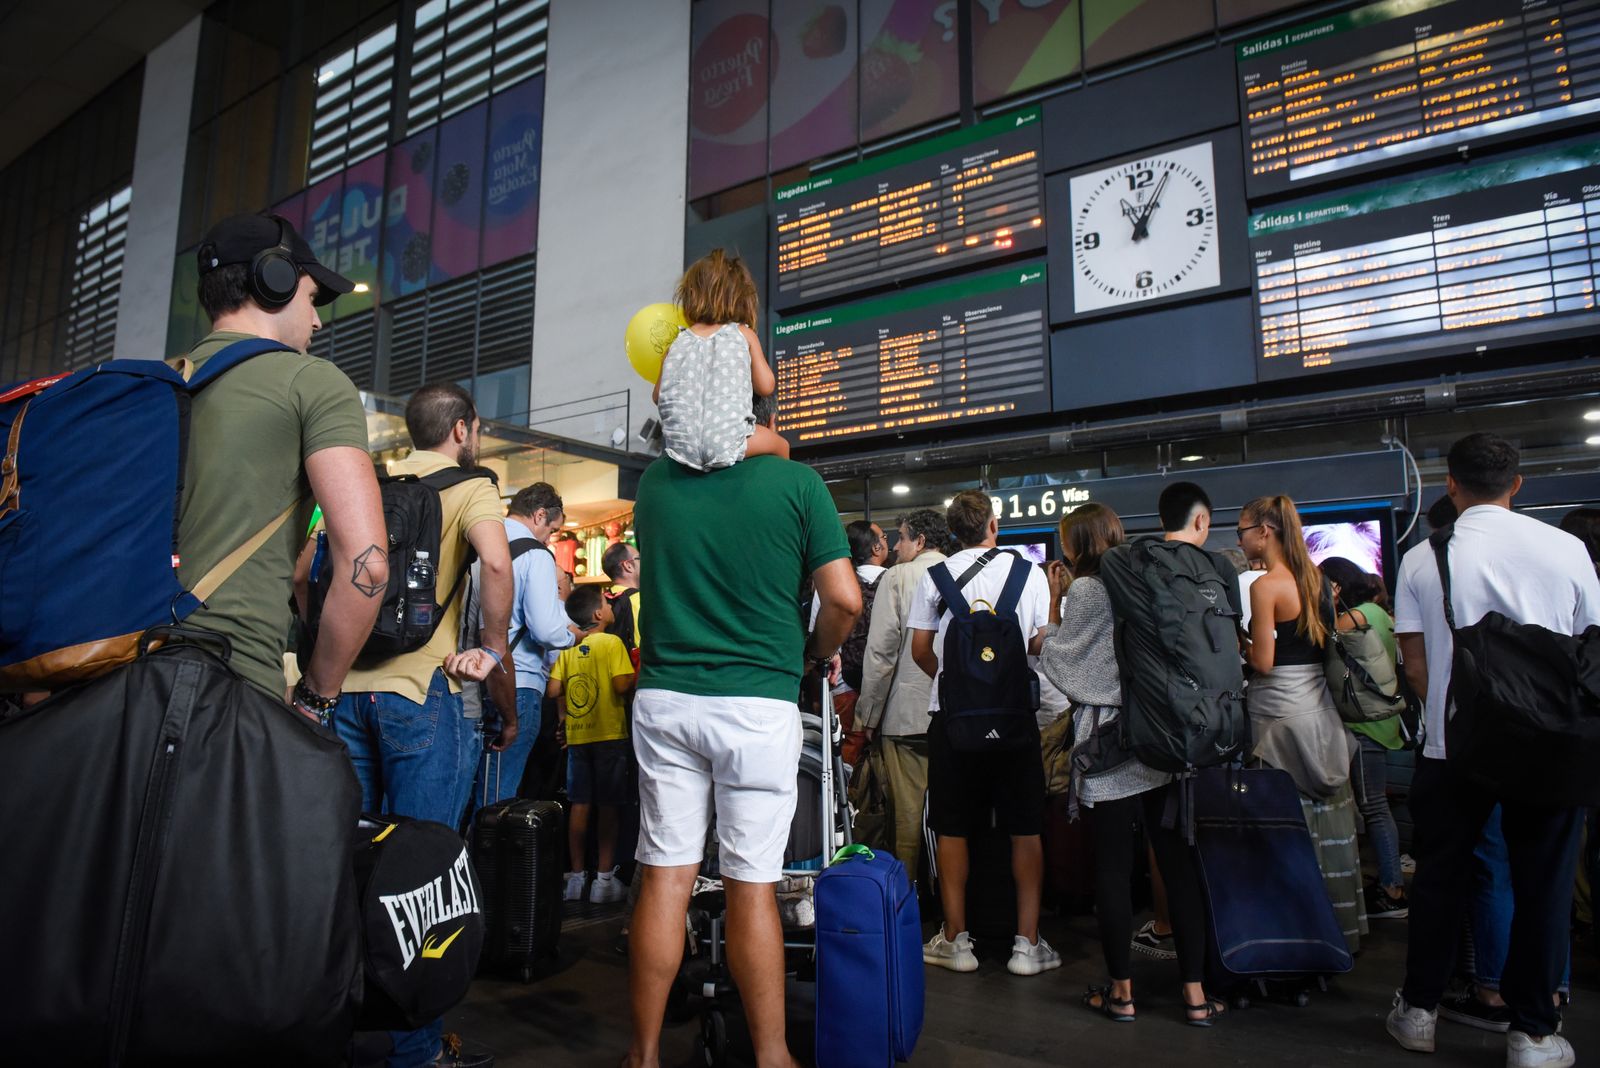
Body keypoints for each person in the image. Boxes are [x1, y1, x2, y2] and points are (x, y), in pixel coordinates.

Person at [624, 391, 859, 1068]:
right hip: (757, 702)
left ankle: (641, 1055)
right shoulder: (796, 483)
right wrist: (816, 650)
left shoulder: (657, 487)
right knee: (750, 882)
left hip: (666, 698)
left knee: (666, 873)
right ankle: (772, 1055)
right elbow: (843, 598)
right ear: (766, 416)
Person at [1387, 433, 1600, 1068]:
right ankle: (1533, 1034)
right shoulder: (1568, 549)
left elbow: (1417, 667)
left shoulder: (1425, 558)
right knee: (1546, 886)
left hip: (1454, 748)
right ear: (1518, 483)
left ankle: (1419, 1013)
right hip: (1551, 748)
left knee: (1440, 881)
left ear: (1450, 484)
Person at [332, 383, 516, 1068]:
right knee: (422, 876)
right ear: (464, 429)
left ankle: (345, 1031)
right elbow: (495, 561)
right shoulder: (469, 488)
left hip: (346, 692)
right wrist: (493, 647)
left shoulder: (370, 483)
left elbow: (309, 573)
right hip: (418, 692)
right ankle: (415, 1050)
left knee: (348, 869)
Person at [183, 213, 387, 718]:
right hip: (234, 686)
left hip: (117, 681)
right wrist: (316, 695)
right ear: (272, 281)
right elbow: (369, 565)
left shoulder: (156, 386)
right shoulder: (312, 382)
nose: (317, 320)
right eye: (312, 297)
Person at [1039, 502, 1226, 1026]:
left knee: (1114, 870)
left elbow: (1063, 664)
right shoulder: (1150, 579)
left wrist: (1054, 606)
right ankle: (1194, 996)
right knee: (1177, 864)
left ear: (1075, 545)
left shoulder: (1088, 589)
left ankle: (1121, 993)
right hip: (1164, 735)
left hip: (1109, 742)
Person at [911, 490, 1058, 978]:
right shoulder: (1029, 573)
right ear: (994, 525)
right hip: (1015, 716)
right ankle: (1027, 942)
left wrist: (951, 682)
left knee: (952, 825)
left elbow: (920, 648)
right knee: (1025, 825)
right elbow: (1038, 642)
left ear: (953, 532)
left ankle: (956, 939)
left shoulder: (935, 576)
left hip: (952, 719)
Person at [1239, 494, 1366, 956]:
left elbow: (1265, 663)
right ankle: (1340, 930)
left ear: (1264, 532)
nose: (1243, 538)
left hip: (1278, 713)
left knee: (1285, 826)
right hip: (1320, 710)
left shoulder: (1265, 585)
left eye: (1242, 530)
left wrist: (1242, 644)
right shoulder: (1317, 579)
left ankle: (1294, 934)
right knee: (1328, 824)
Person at [1128, 481, 1214, 962]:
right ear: (1201, 521)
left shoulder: (1136, 568)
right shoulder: (1217, 570)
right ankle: (1201, 975)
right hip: (1216, 728)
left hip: (1159, 729)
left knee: (1167, 839)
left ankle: (1161, 931)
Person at [463, 483, 578, 821]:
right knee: (497, 798)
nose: (550, 539)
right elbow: (544, 627)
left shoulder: (477, 543)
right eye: (552, 531)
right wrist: (570, 637)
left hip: (470, 677)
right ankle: (486, 872)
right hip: (519, 681)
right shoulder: (535, 554)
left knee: (468, 789)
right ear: (540, 514)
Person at [854, 508, 950, 876]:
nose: (895, 548)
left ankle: (909, 902)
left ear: (921, 541)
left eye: (903, 538)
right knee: (953, 814)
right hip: (956, 713)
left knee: (908, 817)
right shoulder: (959, 572)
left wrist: (869, 716)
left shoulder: (897, 577)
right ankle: (953, 903)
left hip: (907, 716)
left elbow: (881, 654)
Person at [1319, 556, 1409, 920]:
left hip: (1365, 726)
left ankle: (1392, 890)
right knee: (1375, 805)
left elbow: (1322, 641)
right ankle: (1391, 884)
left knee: (1372, 805)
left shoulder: (1354, 617)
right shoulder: (1376, 612)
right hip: (1380, 722)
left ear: (1336, 585)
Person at [653, 248, 788, 471]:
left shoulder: (675, 343)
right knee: (781, 445)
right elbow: (766, 386)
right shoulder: (742, 333)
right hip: (729, 443)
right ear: (740, 298)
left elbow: (658, 396)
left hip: (680, 449)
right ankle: (780, 480)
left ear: (689, 296)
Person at [548, 584, 637, 904]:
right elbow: (620, 683)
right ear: (599, 615)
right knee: (610, 807)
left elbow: (553, 689)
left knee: (580, 804)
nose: (612, 605)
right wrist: (639, 671)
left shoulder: (570, 648)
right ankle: (603, 879)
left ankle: (575, 877)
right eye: (606, 602)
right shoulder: (613, 643)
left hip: (578, 736)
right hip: (610, 735)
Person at [814, 519, 889, 761]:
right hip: (886, 689)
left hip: (842, 685)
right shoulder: (894, 581)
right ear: (876, 549)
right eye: (884, 538)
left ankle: (848, 797)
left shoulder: (831, 584)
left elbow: (818, 632)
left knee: (845, 753)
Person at [602, 539, 644, 659]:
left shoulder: (602, 600)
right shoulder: (639, 600)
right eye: (639, 559)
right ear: (628, 565)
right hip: (632, 673)